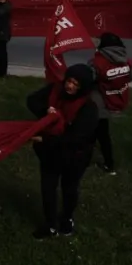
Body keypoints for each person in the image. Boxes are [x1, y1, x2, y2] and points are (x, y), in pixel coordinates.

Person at [26, 63, 99, 239]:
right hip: (50, 154)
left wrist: (45, 139)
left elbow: (76, 139)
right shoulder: (54, 90)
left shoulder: (89, 108)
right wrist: (46, 111)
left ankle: (66, 219)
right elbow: (32, 100)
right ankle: (50, 225)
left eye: (76, 84)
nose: (70, 86)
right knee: (48, 188)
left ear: (83, 87)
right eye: (69, 81)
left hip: (74, 158)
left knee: (69, 189)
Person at [90, 33, 132, 175]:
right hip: (116, 98)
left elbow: (88, 79)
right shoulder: (126, 61)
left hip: (99, 103)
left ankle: (108, 164)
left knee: (98, 132)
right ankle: (108, 164)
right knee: (101, 133)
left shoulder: (97, 62)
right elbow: (130, 78)